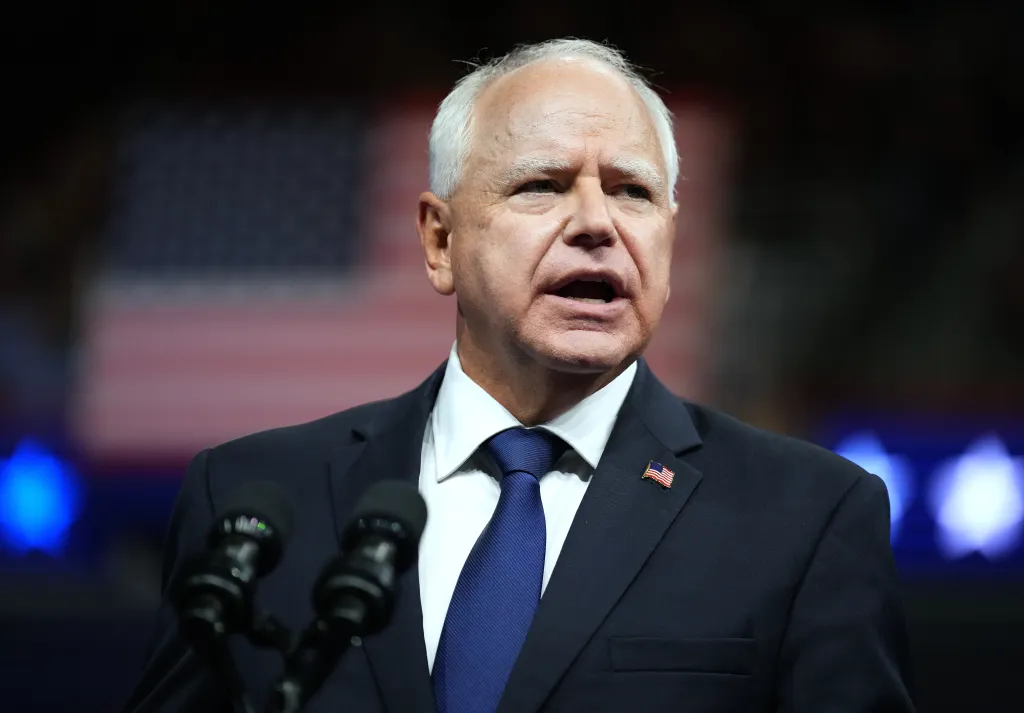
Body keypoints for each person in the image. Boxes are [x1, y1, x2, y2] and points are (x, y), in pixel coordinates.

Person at [123, 39, 916, 713]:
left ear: (670, 240)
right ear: (439, 241)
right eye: (542, 185)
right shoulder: (253, 495)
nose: (597, 223)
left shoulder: (807, 519)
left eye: (632, 191)